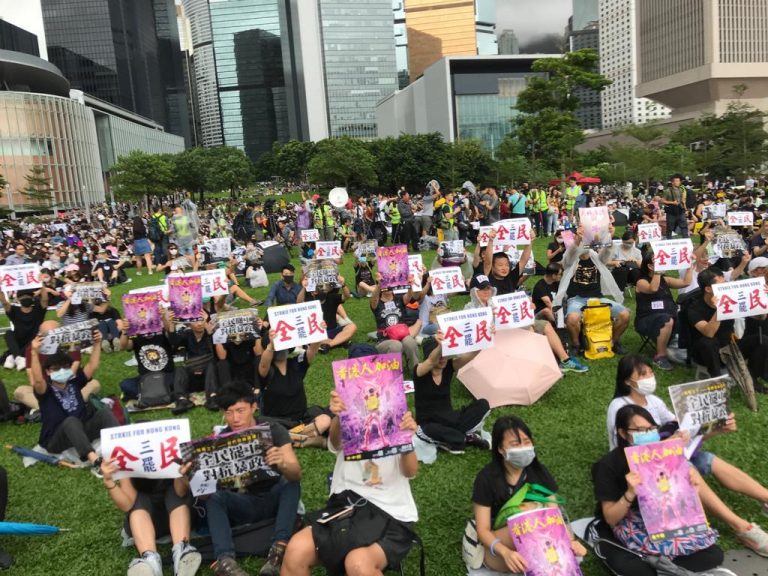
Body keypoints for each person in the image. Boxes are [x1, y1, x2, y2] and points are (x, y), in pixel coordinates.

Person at [607, 355, 768, 544]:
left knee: (707, 459)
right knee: (686, 466)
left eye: (650, 372)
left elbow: (680, 427)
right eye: (642, 375)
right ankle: (741, 527)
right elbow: (629, 452)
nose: (649, 378)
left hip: (664, 458)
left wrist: (715, 429)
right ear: (627, 381)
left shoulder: (653, 401)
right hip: (635, 468)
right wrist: (669, 445)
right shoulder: (618, 407)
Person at [593, 404, 768, 574]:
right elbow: (610, 518)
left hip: (662, 517)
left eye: (651, 428)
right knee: (637, 570)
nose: (647, 434)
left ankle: (662, 565)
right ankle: (662, 565)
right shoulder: (609, 465)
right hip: (631, 520)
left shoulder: (662, 454)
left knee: (713, 555)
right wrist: (630, 493)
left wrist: (690, 487)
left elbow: (676, 501)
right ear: (623, 433)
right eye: (639, 431)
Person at [281, 387, 419, 576]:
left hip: (390, 511)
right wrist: (338, 416)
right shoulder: (351, 418)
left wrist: (406, 441)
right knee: (296, 550)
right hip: (346, 507)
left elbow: (410, 471)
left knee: (358, 564)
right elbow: (336, 443)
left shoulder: (396, 421)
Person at [182, 386, 301, 576]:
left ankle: (278, 549)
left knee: (289, 482)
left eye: (240, 411)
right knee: (215, 497)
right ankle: (225, 560)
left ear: (254, 407)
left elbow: (296, 473)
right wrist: (191, 476)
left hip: (274, 498)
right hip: (243, 504)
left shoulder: (273, 429)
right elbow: (204, 495)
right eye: (228, 413)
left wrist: (283, 462)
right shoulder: (220, 441)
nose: (235, 419)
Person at [472, 416, 586, 573]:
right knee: (527, 517)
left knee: (557, 559)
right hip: (499, 545)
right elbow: (483, 530)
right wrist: (506, 553)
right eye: (515, 444)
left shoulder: (539, 472)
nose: (523, 448)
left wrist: (571, 542)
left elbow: (554, 516)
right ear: (500, 449)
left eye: (526, 442)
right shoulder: (486, 478)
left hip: (537, 541)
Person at [29, 330, 117, 471]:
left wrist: (97, 343)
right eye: (56, 369)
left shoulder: (74, 383)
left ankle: (121, 445)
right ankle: (95, 460)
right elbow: (38, 381)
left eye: (65, 367)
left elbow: (92, 365)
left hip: (81, 431)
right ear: (48, 372)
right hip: (55, 440)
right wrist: (34, 352)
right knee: (71, 421)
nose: (61, 371)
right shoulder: (46, 391)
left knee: (104, 412)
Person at [465, 274, 588, 373]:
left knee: (544, 325)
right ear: (474, 291)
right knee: (530, 330)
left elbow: (513, 316)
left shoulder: (495, 302)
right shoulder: (470, 309)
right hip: (497, 338)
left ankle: (564, 360)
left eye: (488, 288)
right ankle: (542, 366)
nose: (486, 291)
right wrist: (489, 319)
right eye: (481, 289)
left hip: (511, 328)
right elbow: (473, 332)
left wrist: (527, 308)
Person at [99, 459, 201, 576]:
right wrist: (108, 482)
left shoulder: (170, 448)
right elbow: (127, 505)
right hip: (146, 524)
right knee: (139, 499)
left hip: (178, 517)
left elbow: (180, 492)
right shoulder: (128, 457)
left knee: (174, 492)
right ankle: (150, 559)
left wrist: (182, 474)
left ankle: (181, 550)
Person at [553, 225, 631, 356]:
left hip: (598, 298)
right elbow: (570, 254)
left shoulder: (596, 257)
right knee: (572, 319)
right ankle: (576, 344)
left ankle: (613, 341)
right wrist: (577, 240)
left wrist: (609, 237)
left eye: (586, 243)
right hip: (577, 299)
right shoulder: (571, 260)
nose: (584, 246)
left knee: (625, 314)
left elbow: (606, 253)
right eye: (582, 243)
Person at [687, 266, 768, 390]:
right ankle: (718, 381)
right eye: (721, 285)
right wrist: (720, 309)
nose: (725, 287)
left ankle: (752, 378)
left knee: (762, 340)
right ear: (708, 289)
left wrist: (763, 299)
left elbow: (759, 318)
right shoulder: (694, 308)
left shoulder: (731, 298)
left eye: (725, 283)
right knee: (708, 342)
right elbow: (709, 333)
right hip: (705, 354)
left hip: (729, 348)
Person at [413, 335, 490, 454]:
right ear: (430, 355)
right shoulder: (420, 371)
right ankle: (466, 437)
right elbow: (431, 361)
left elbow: (471, 355)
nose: (443, 359)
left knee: (483, 405)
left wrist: (485, 337)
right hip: (429, 423)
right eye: (440, 356)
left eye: (446, 354)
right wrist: (440, 346)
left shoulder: (449, 366)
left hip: (450, 418)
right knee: (433, 430)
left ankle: (455, 437)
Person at [258, 330, 331, 448]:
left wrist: (318, 332)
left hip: (302, 421)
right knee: (260, 424)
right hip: (278, 422)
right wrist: (271, 346)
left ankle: (289, 437)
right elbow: (263, 364)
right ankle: (307, 439)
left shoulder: (296, 364)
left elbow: (312, 350)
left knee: (325, 419)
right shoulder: (267, 371)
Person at [634, 251, 693, 370]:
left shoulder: (665, 280)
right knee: (666, 320)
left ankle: (688, 349)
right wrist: (657, 271)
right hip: (647, 319)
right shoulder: (641, 282)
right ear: (650, 266)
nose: (663, 263)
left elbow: (685, 282)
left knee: (690, 314)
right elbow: (653, 289)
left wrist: (689, 266)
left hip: (670, 315)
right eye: (659, 261)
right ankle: (660, 356)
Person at [370, 273, 421, 371]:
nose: (388, 288)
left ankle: (415, 370)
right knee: (396, 345)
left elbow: (409, 297)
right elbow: (374, 298)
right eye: (385, 286)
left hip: (401, 335)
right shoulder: (377, 303)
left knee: (410, 341)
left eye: (390, 285)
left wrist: (410, 286)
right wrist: (379, 284)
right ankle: (394, 374)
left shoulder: (399, 299)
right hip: (384, 341)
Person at [297, 275, 357, 353]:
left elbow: (347, 296)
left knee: (352, 327)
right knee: (315, 339)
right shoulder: (309, 301)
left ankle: (329, 345)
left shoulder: (332, 297)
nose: (323, 290)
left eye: (323, 288)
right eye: (319, 288)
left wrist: (343, 285)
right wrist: (304, 288)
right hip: (318, 333)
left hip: (333, 330)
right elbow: (298, 303)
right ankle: (340, 341)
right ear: (313, 292)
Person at [1, 289, 47, 371]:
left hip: (33, 341)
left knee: (38, 338)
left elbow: (44, 300)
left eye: (28, 296)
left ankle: (13, 356)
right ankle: (19, 358)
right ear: (18, 299)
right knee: (8, 333)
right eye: (23, 296)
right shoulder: (14, 310)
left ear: (32, 298)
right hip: (18, 341)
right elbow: (4, 302)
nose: (26, 298)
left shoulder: (38, 310)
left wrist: (42, 284)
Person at [482, 228, 535, 295]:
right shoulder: (488, 278)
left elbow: (523, 261)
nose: (504, 268)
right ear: (492, 267)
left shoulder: (511, 277)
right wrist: (490, 241)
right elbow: (488, 263)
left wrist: (530, 241)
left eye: (507, 265)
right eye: (500, 265)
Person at [661, 174, 689, 239]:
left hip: (680, 210)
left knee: (684, 226)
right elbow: (662, 201)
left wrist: (686, 209)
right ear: (672, 182)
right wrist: (672, 202)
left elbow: (683, 201)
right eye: (676, 181)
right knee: (670, 227)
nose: (678, 182)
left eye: (679, 181)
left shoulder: (681, 190)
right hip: (671, 212)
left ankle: (686, 239)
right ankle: (669, 240)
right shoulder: (667, 191)